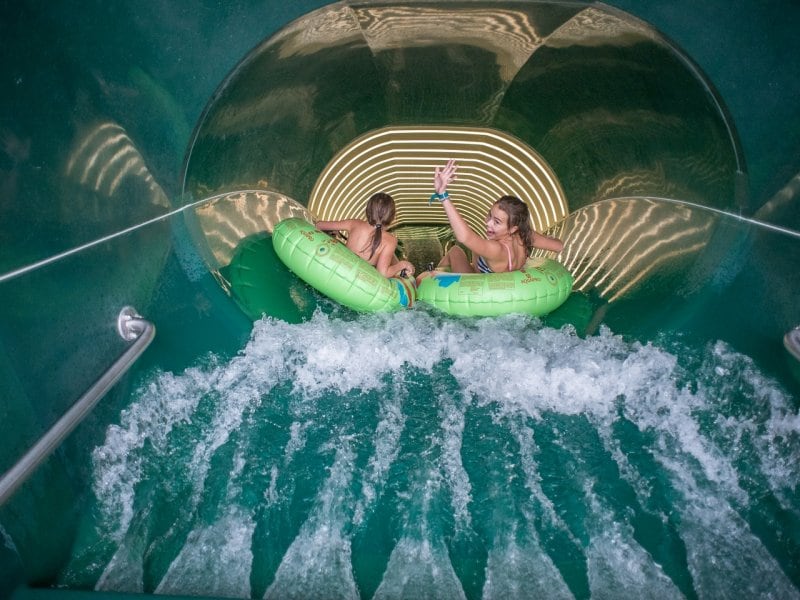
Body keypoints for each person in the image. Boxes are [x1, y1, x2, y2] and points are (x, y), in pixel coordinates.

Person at [428, 159, 564, 275]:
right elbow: (559, 246)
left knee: (455, 251)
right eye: (490, 216)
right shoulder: (524, 235)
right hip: (499, 268)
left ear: (512, 228)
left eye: (497, 222)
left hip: (478, 284)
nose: (488, 223)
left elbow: (465, 237)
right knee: (476, 246)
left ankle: (431, 274)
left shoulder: (497, 250)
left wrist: (443, 195)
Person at [315, 192, 415, 278]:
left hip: (340, 269)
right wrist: (402, 265)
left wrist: (332, 233)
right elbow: (383, 273)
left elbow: (319, 225)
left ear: (367, 211)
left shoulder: (353, 223)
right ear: (392, 217)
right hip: (361, 280)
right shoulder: (390, 240)